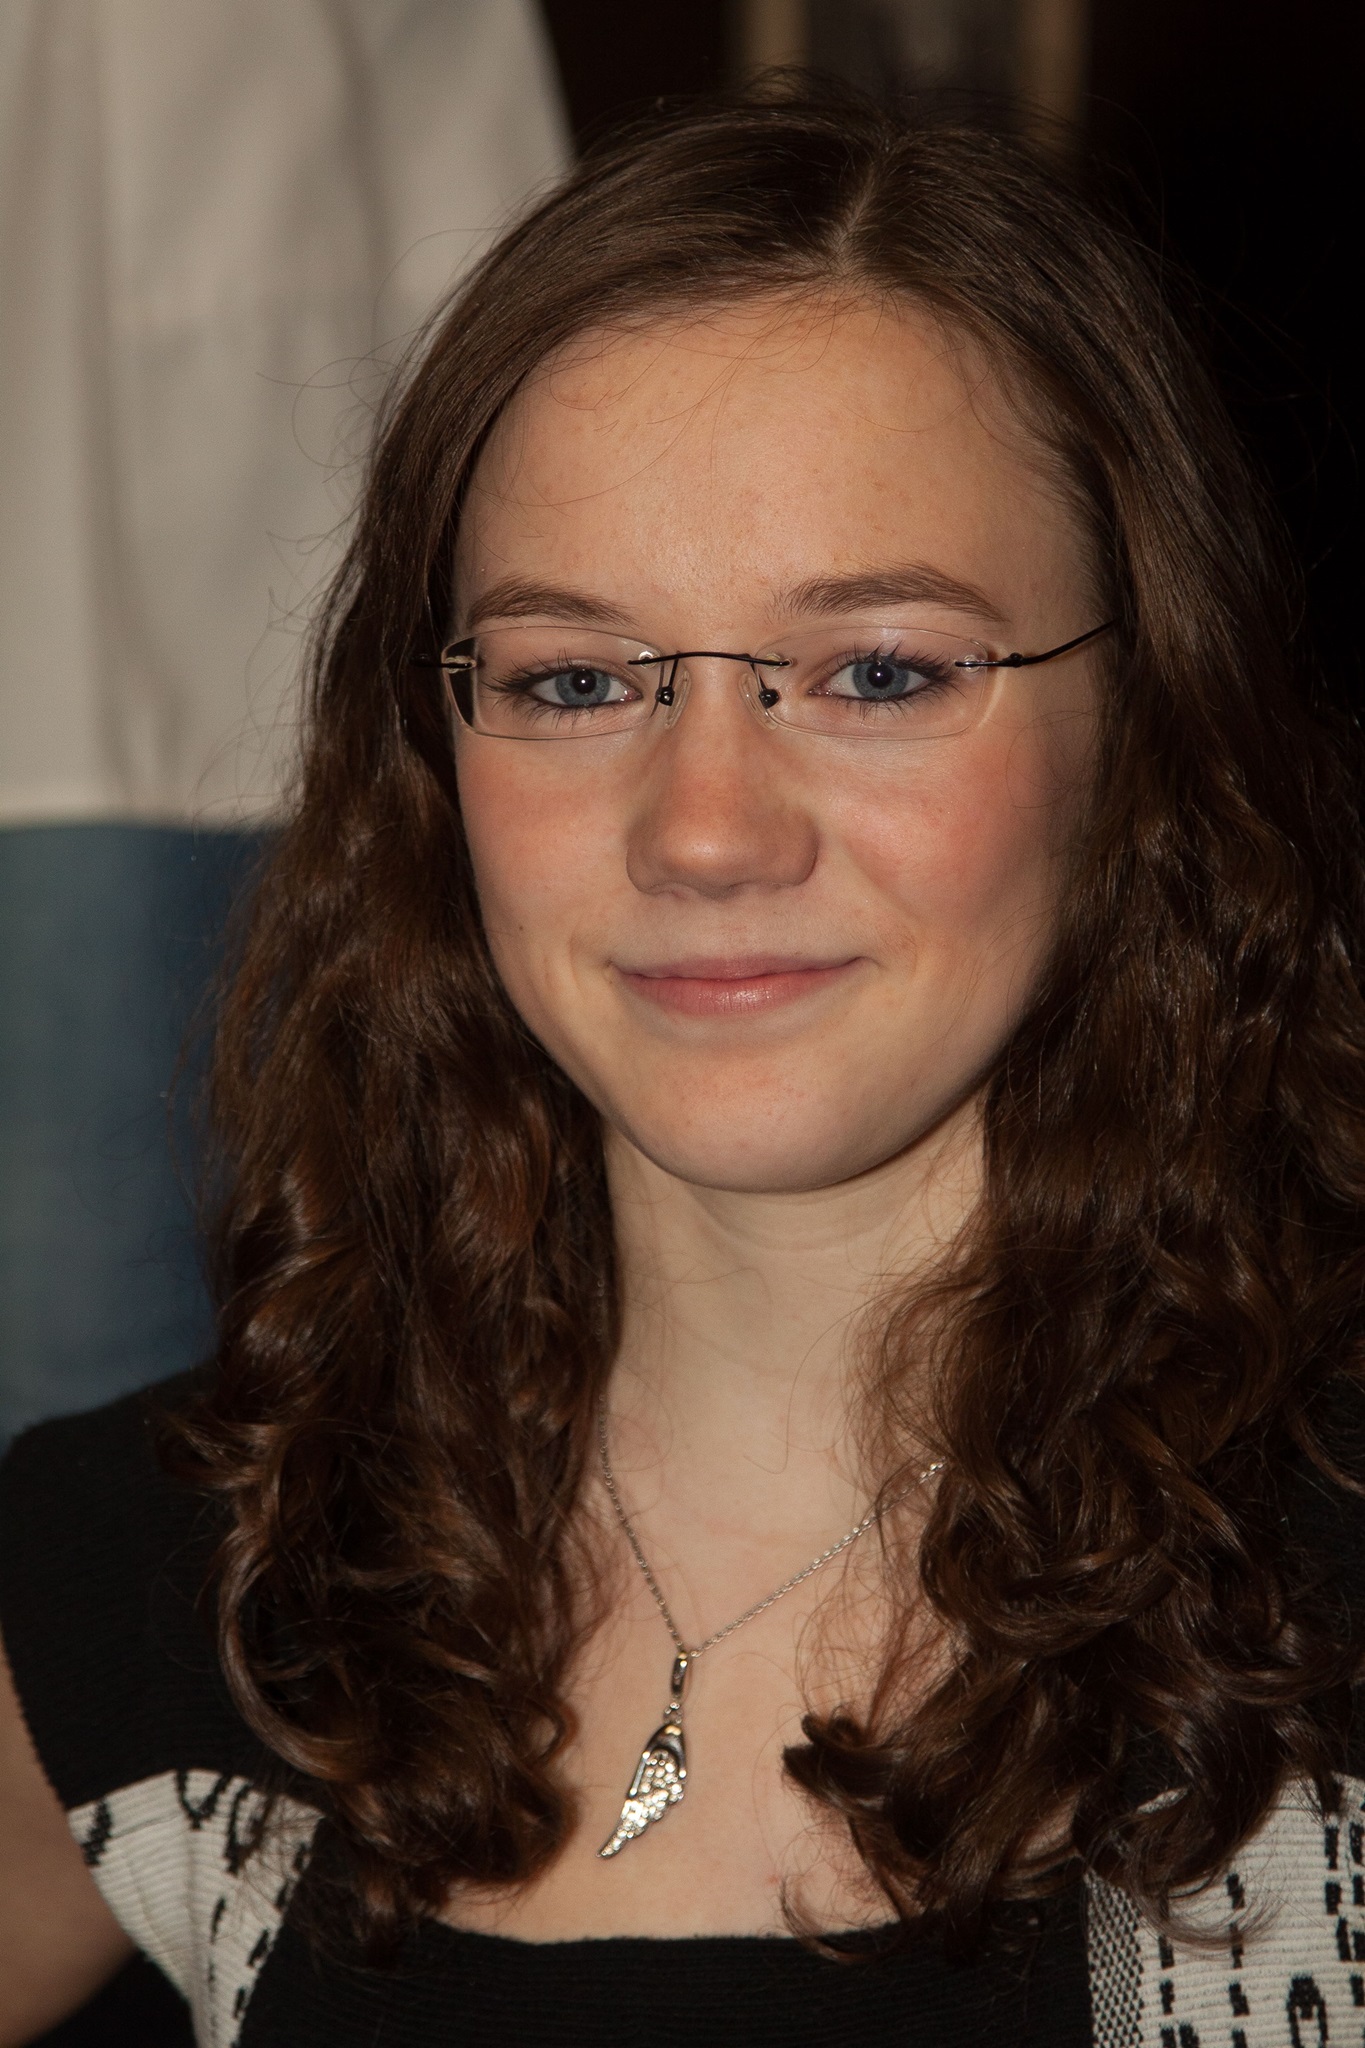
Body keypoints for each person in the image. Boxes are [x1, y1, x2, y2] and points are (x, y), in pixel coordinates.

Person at [3, 82, 1364, 2048]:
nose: (704, 828)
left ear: (1143, 720)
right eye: (573, 680)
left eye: (878, 672)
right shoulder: (182, 1570)